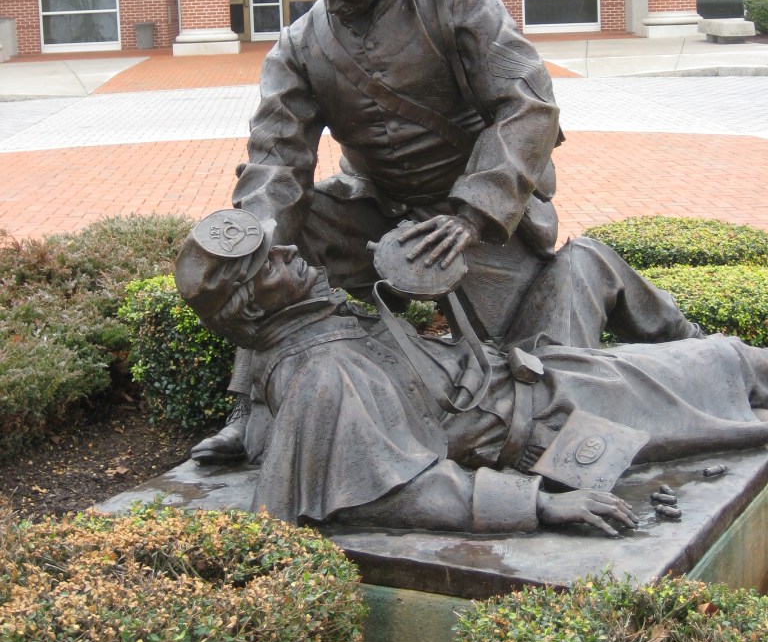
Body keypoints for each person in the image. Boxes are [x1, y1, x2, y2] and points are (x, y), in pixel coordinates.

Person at [192, 0, 703, 463]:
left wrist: (472, 213)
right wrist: (253, 247)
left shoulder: (456, 0)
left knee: (526, 376)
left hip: (471, 216)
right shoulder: (298, 47)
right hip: (376, 209)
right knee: (284, 241)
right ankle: (253, 409)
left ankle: (679, 345)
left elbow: (527, 105)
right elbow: (276, 156)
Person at [176, 210, 768, 537]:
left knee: (700, 349)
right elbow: (396, 491)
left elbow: (274, 400)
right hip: (549, 421)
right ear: (252, 306)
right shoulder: (323, 373)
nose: (289, 253)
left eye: (276, 249)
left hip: (533, 375)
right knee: (726, 364)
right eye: (270, 266)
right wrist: (536, 504)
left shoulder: (298, 328)